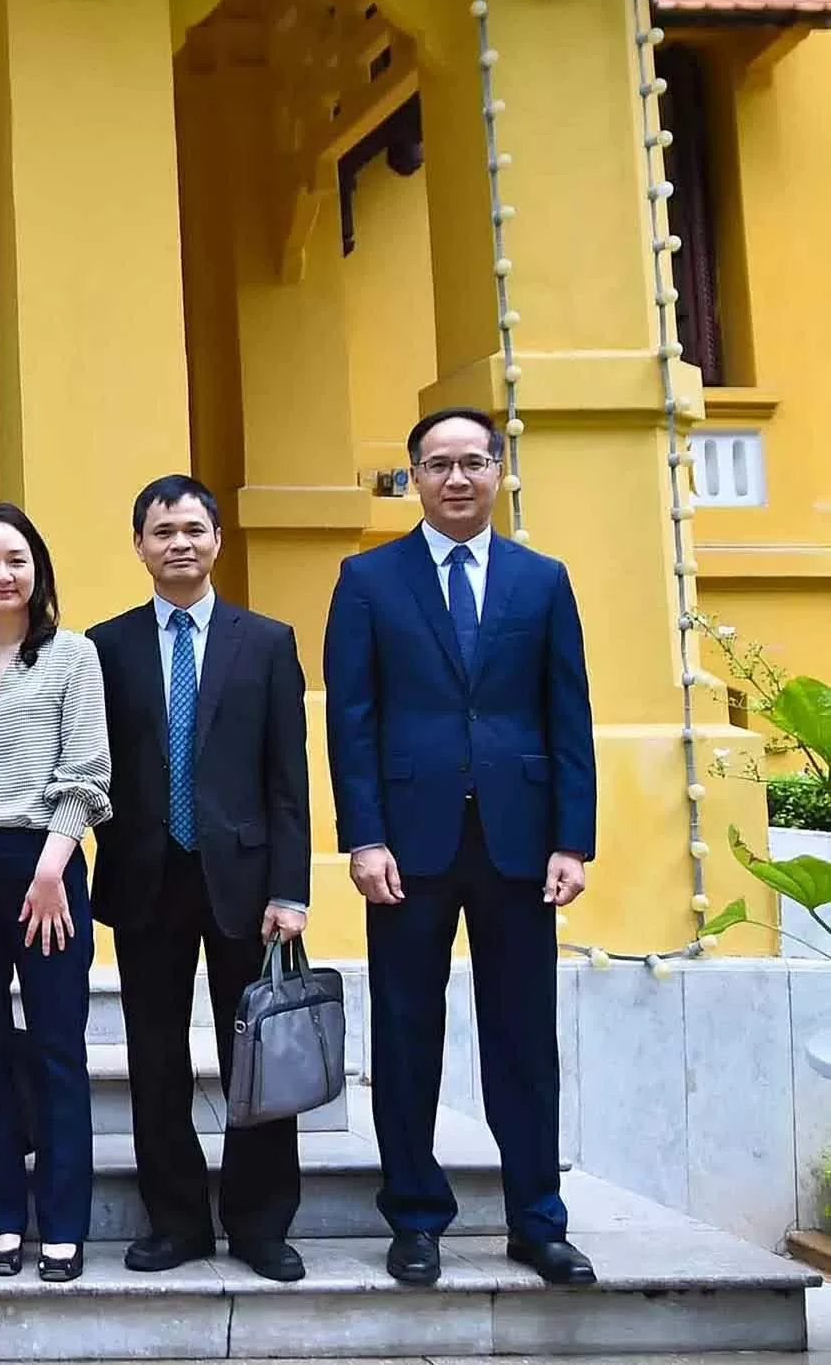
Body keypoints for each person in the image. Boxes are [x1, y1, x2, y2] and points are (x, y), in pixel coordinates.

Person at [324, 407, 596, 1289]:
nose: (457, 479)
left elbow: (568, 716)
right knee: (408, 1033)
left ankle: (537, 1220)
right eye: (437, 464)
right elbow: (351, 720)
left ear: (497, 471)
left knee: (524, 1035)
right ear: (413, 476)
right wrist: (362, 837)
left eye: (473, 462)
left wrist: (572, 839)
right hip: (409, 844)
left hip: (521, 843)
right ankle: (414, 1216)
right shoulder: (367, 580)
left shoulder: (542, 580)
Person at [87, 476, 311, 1284]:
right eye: (161, 531)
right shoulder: (104, 646)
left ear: (218, 539)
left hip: (248, 887)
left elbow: (290, 778)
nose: (178, 543)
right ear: (140, 547)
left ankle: (259, 1223)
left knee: (256, 1057)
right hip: (146, 878)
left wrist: (292, 889)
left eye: (192, 529)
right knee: (154, 1057)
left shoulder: (268, 641)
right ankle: (175, 1221)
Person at [0, 503, 109, 1283]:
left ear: (37, 571)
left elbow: (89, 773)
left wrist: (50, 867)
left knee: (58, 1049)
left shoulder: (73, 657)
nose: (0, 575)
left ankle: (63, 1223)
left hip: (49, 870)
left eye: (15, 559)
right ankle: (1, 1219)